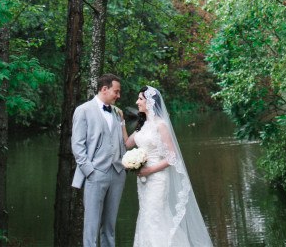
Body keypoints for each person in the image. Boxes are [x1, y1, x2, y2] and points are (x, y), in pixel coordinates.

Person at [125, 86, 213, 246]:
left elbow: (172, 158)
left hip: (157, 179)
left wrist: (149, 170)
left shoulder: (161, 125)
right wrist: (120, 123)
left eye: (140, 99)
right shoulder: (142, 125)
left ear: (150, 102)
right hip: (143, 182)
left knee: (154, 218)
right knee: (147, 218)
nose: (137, 102)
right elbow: (128, 143)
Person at [71, 74, 128, 247]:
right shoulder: (83, 110)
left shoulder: (118, 113)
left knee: (110, 226)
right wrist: (90, 171)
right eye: (116, 92)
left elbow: (121, 143)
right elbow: (77, 145)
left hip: (118, 174)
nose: (118, 96)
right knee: (91, 225)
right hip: (95, 174)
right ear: (104, 89)